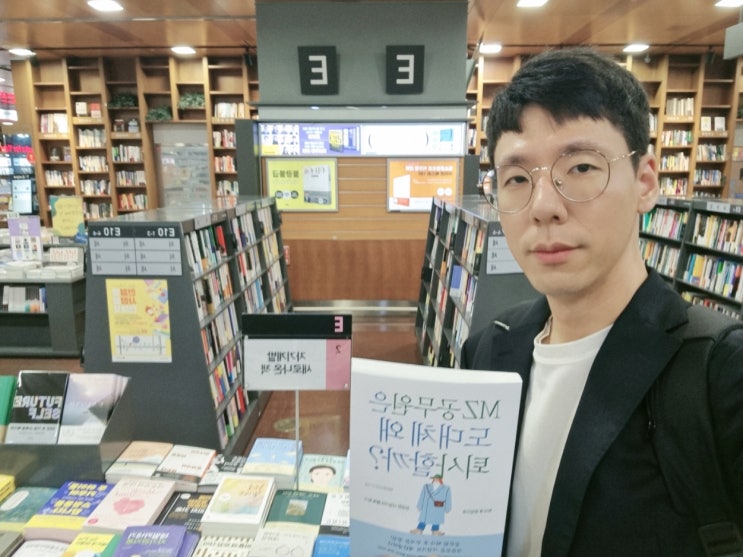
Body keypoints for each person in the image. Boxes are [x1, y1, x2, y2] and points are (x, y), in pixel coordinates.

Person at [462, 46, 743, 557]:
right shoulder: (488, 350)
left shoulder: (721, 373)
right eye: (517, 179)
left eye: (582, 167)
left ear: (645, 182)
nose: (544, 207)